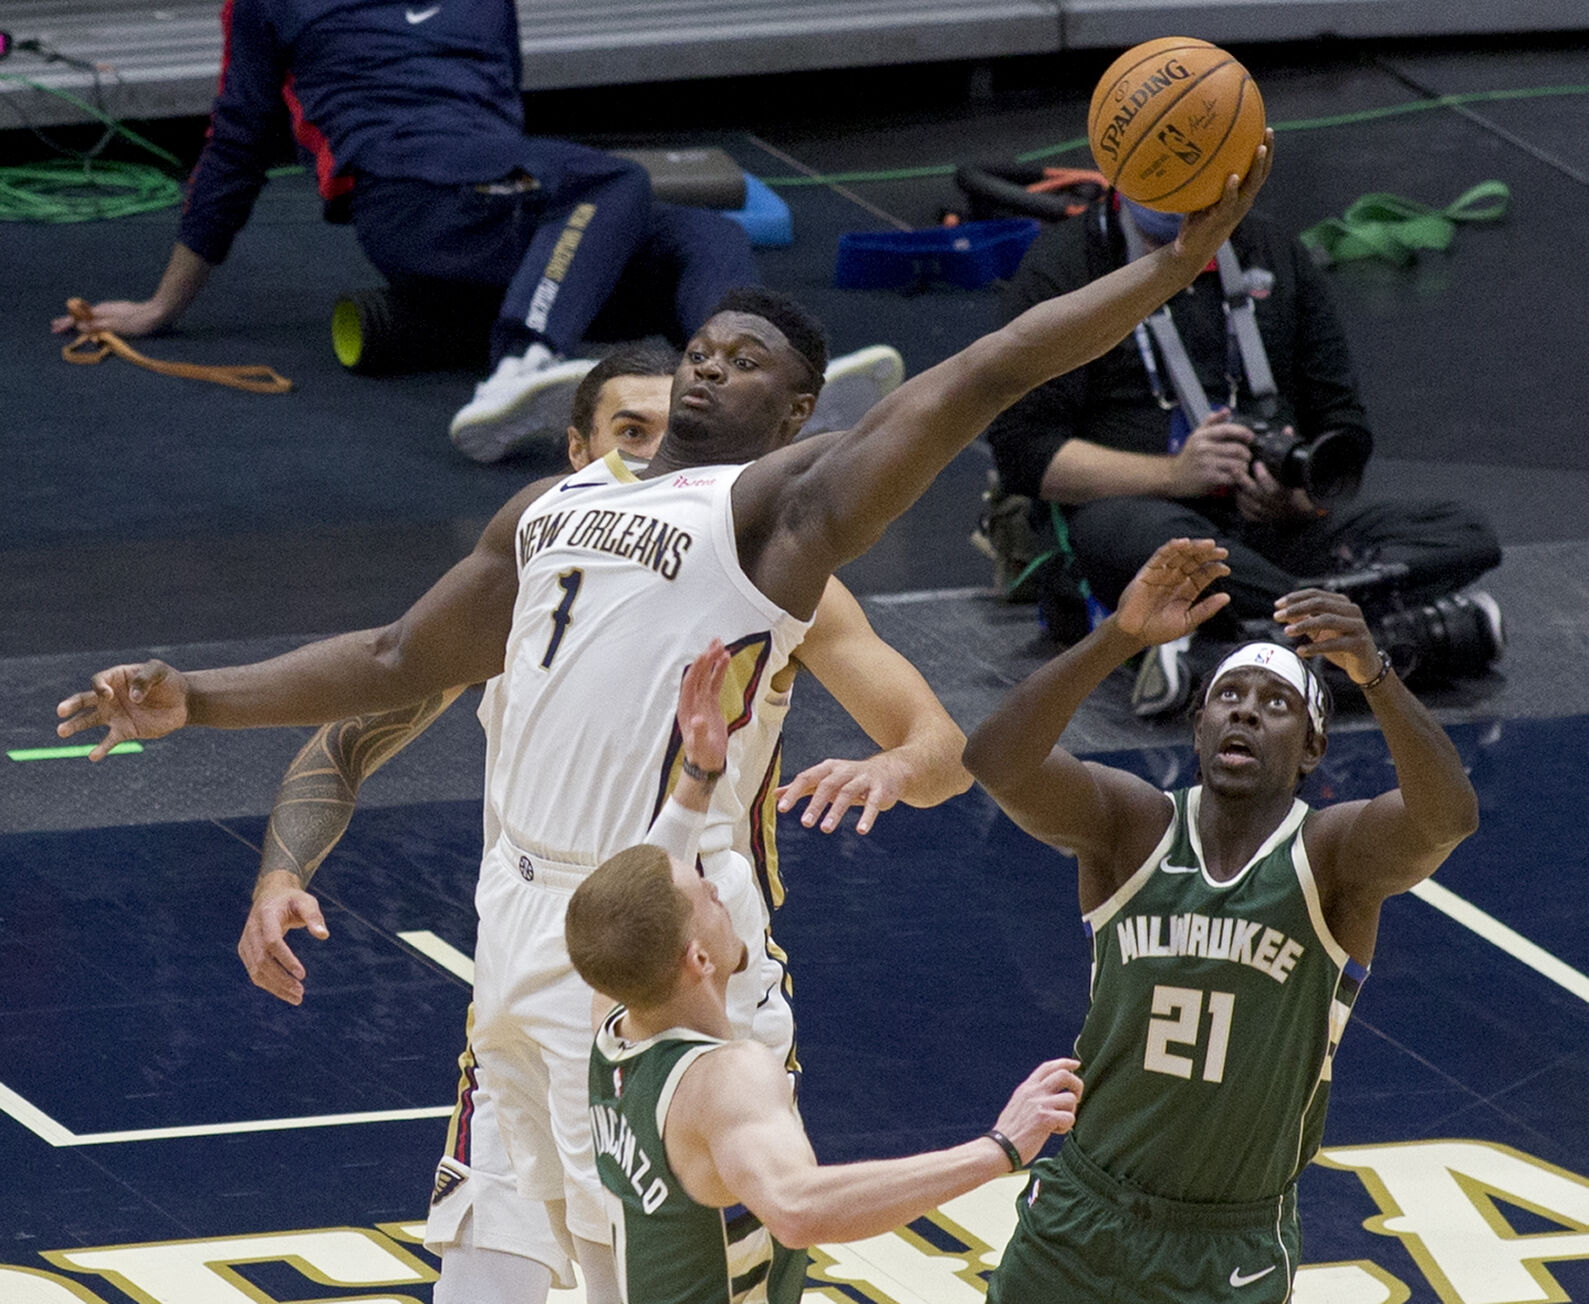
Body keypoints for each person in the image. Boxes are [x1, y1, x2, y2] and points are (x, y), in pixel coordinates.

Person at [56, 141, 1269, 1304]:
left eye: (744, 361)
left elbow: (986, 370)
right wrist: (198, 700)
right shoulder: (549, 506)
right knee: (485, 1236)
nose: (709, 365)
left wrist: (1162, 269)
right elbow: (391, 660)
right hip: (519, 915)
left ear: (798, 416)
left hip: (661, 928)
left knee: (655, 1264)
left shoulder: (771, 521)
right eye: (704, 346)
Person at [235, 344, 971, 1301]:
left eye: (674, 429)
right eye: (632, 433)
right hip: (525, 944)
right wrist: (279, 874)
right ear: (576, 447)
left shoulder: (765, 571)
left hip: (681, 955)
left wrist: (895, 765)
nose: (663, 451)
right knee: (479, 1277)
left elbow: (942, 747)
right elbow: (350, 733)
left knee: (661, 1279)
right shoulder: (537, 568)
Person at [961, 536, 1480, 1303]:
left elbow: (1446, 818)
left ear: (1310, 748)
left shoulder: (1331, 856)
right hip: (1081, 1208)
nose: (1245, 711)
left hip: (1227, 1240)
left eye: (1276, 706)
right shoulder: (1131, 826)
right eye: (1228, 697)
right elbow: (995, 761)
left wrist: (1374, 675)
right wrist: (1117, 639)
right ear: (1199, 726)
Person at [45, 0, 899, 461]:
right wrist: (162, 306)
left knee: (696, 235)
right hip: (410, 205)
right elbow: (234, 146)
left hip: (508, 203)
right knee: (615, 177)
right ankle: (518, 364)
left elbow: (503, 109)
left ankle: (748, 392)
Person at [567, 639, 1084, 1304]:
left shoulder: (612, 1023)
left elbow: (640, 898)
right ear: (697, 959)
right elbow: (799, 1209)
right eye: (708, 898)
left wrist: (698, 778)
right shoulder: (725, 1077)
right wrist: (999, 1148)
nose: (721, 892)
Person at [981, 192, 1502, 715]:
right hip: (1149, 518)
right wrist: (1174, 474)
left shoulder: (1275, 251)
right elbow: (1027, 454)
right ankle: (1374, 641)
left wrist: (1297, 498)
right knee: (1137, 542)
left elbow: (1343, 426)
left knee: (1462, 529)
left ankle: (1254, 650)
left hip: (1273, 533)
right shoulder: (1067, 264)